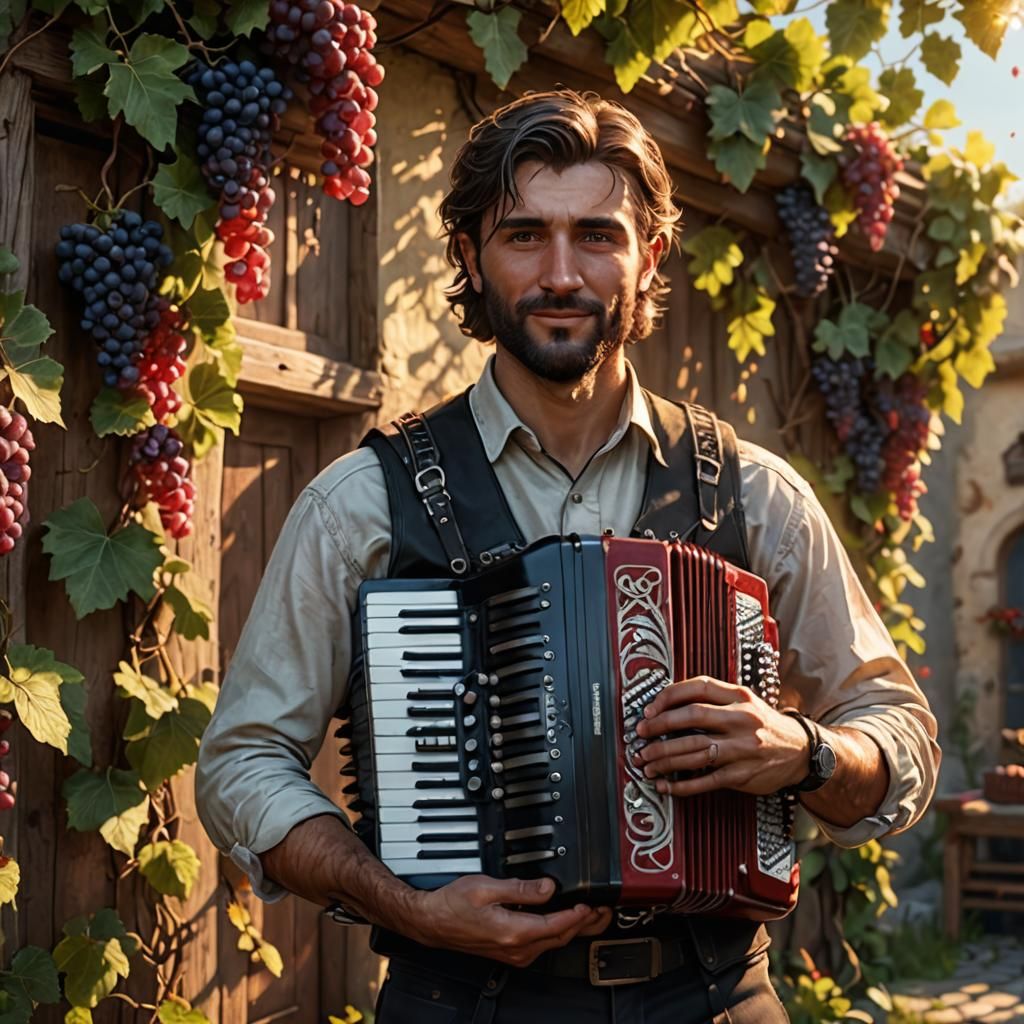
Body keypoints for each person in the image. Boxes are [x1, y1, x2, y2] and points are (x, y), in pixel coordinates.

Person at [196, 89, 940, 1023]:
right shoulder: (360, 503)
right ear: (470, 255)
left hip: (719, 999)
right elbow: (242, 764)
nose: (562, 273)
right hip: (462, 1001)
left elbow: (898, 734)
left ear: (648, 254)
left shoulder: (758, 493)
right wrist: (406, 903)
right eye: (523, 236)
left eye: (597, 234)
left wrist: (807, 750)